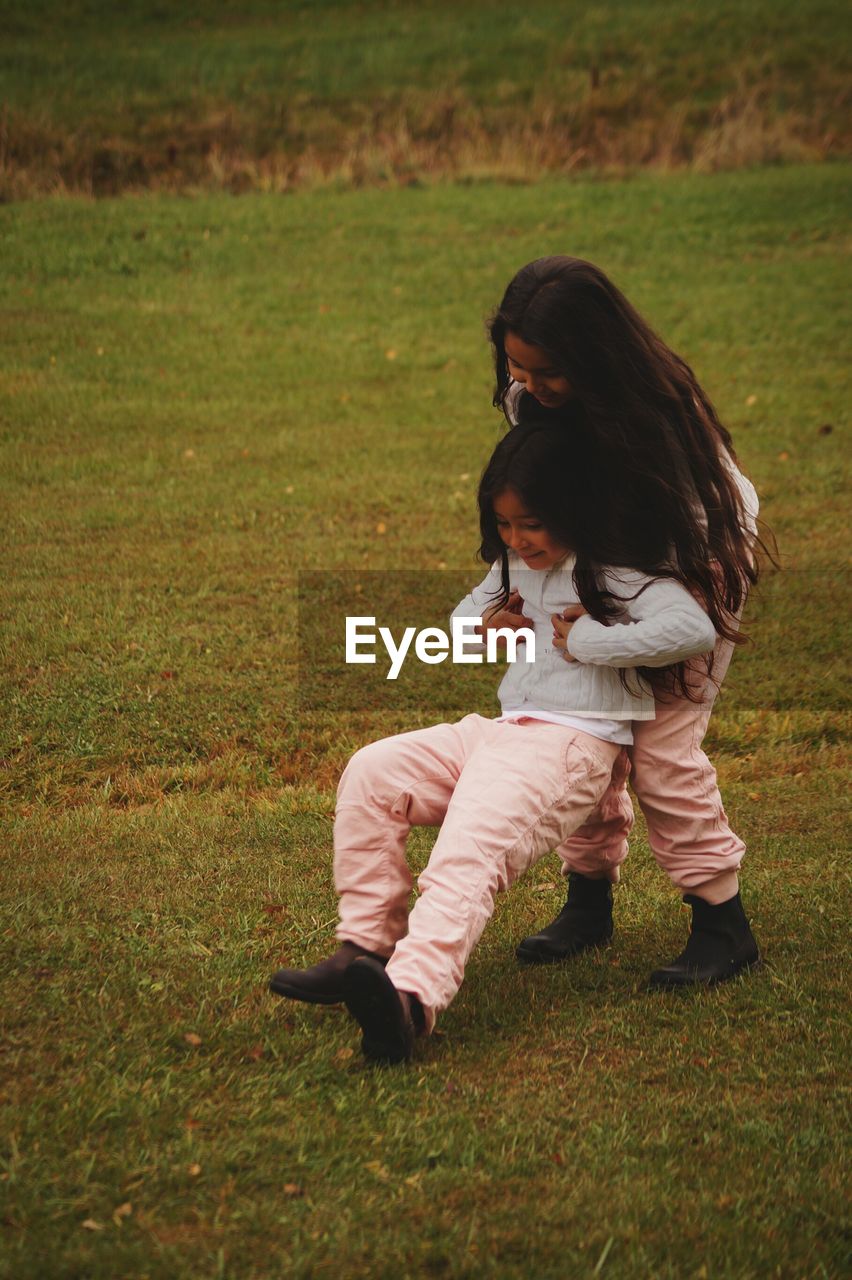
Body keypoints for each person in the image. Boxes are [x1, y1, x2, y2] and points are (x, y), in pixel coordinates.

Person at [269, 422, 720, 1063]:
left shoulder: (618, 570)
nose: (516, 539)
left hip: (572, 748)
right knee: (373, 772)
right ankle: (364, 950)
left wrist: (589, 640)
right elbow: (459, 621)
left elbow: (692, 629)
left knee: (470, 841)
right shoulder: (512, 564)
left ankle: (408, 1000)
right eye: (504, 524)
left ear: (576, 506)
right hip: (504, 731)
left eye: (530, 523)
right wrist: (486, 627)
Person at [487, 255, 765, 987]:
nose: (529, 385)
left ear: (593, 356)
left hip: (689, 574)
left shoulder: (659, 422)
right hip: (601, 570)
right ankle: (588, 904)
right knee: (583, 726)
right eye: (517, 367)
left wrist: (622, 621)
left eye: (547, 371)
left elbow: (704, 535)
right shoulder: (535, 399)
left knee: (662, 748)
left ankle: (721, 924)